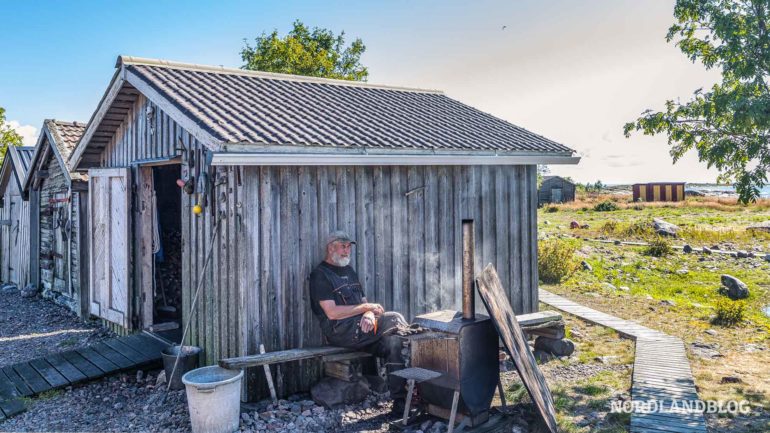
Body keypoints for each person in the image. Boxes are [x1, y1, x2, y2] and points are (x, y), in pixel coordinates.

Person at [309, 230, 409, 414]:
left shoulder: (349, 271)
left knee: (394, 343)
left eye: (349, 247)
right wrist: (367, 309)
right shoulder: (320, 275)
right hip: (340, 331)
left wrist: (369, 313)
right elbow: (331, 313)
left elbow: (363, 304)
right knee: (394, 319)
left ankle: (401, 404)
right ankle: (416, 348)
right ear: (331, 248)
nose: (347, 251)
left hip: (363, 330)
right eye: (342, 247)